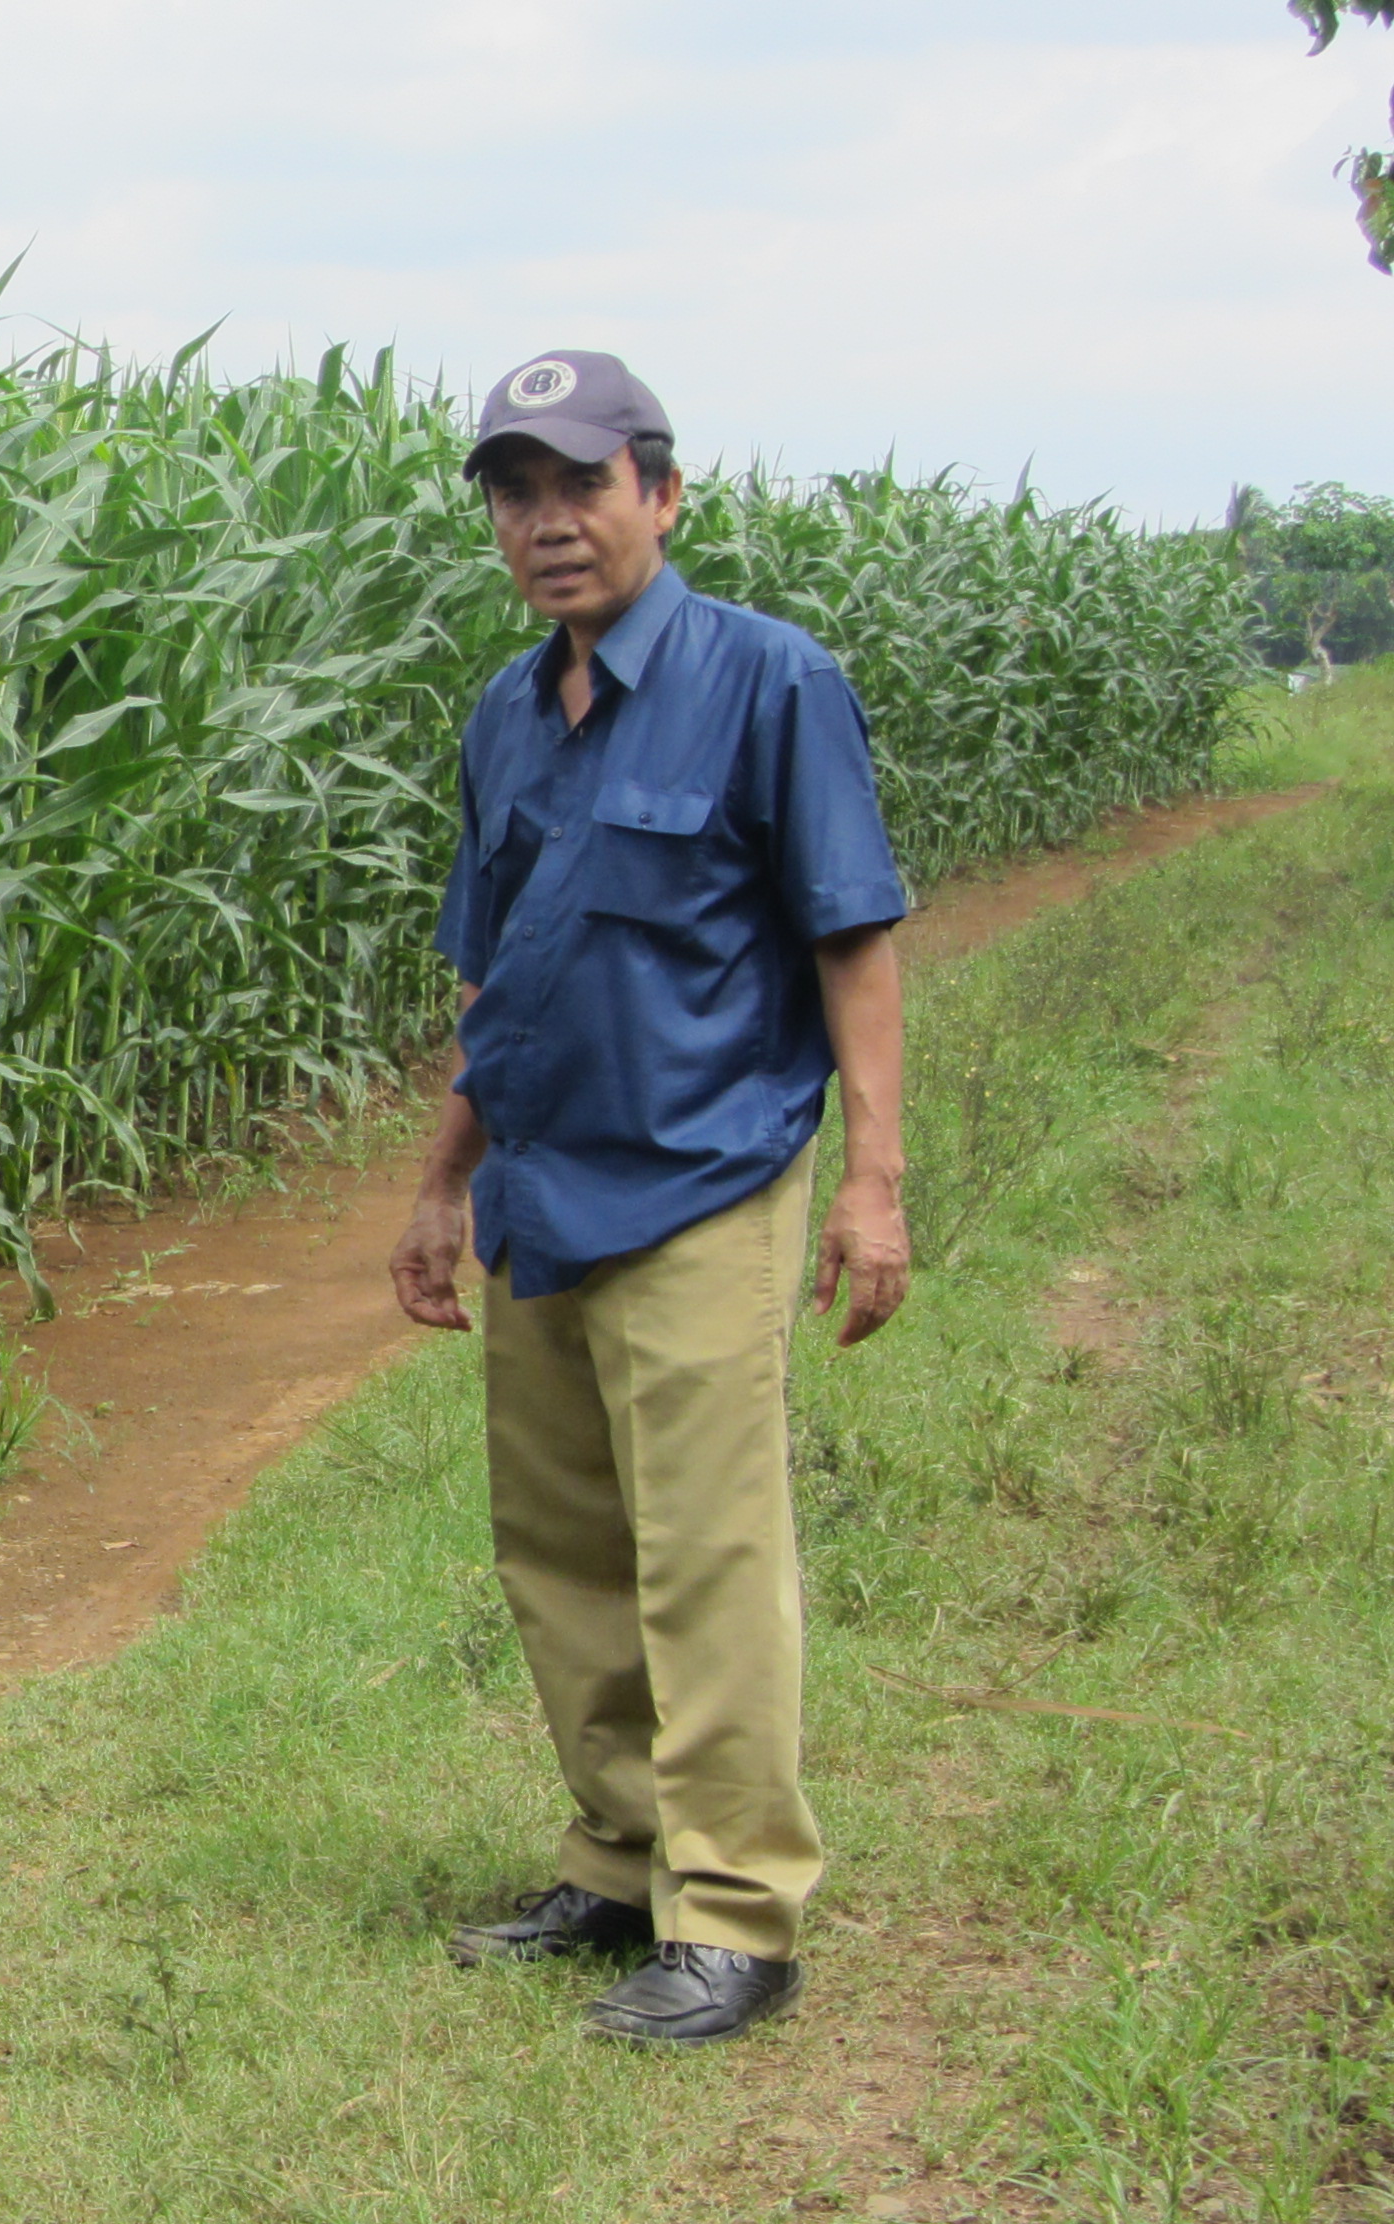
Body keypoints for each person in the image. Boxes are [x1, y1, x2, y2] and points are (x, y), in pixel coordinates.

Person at [386, 349, 914, 2048]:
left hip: (704, 1176)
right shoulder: (503, 714)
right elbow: (497, 977)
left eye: (583, 486)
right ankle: (619, 1865)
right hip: (542, 1186)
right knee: (561, 1546)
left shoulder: (771, 682)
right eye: (515, 495)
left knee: (705, 1552)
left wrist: (875, 1186)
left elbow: (854, 939)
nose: (549, 523)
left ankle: (736, 1916)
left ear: (663, 496)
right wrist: (442, 1184)